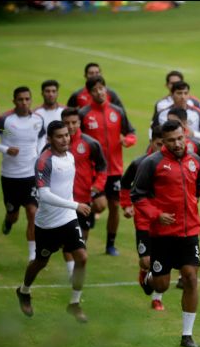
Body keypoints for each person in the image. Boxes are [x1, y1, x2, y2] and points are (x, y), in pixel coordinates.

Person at [131, 121, 200, 347]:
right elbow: (137, 195)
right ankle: (148, 277)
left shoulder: (196, 160)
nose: (177, 143)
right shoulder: (151, 163)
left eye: (180, 138)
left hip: (189, 231)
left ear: (185, 136)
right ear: (162, 141)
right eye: (171, 140)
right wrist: (156, 214)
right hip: (162, 235)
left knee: (191, 278)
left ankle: (187, 335)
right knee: (162, 286)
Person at [15, 121, 92, 323]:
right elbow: (44, 195)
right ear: (49, 139)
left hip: (67, 218)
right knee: (40, 262)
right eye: (59, 136)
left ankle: (74, 304)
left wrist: (72, 208)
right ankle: (24, 291)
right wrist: (75, 205)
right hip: (47, 223)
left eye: (67, 135)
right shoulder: (44, 161)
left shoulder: (70, 157)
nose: (65, 139)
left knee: (82, 257)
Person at [0, 86, 46, 261]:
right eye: (21, 99)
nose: (24, 102)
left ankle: (32, 255)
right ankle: (8, 221)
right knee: (14, 215)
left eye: (27, 99)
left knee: (32, 212)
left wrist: (39, 153)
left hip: (30, 175)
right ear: (14, 101)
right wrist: (5, 149)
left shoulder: (38, 119)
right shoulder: (5, 119)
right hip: (10, 176)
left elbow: (42, 136)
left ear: (31, 100)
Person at [78, 75, 137, 256]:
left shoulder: (117, 111)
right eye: (95, 90)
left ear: (105, 88)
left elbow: (131, 132)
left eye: (101, 88)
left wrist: (128, 140)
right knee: (99, 205)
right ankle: (81, 241)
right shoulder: (84, 114)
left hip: (115, 168)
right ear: (89, 93)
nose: (99, 92)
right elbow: (77, 139)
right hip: (95, 170)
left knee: (114, 206)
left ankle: (110, 244)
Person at [121, 126, 166, 310]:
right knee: (147, 260)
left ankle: (157, 298)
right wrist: (126, 205)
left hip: (164, 218)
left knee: (162, 259)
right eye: (159, 144)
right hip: (143, 218)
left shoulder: (172, 164)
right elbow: (125, 183)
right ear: (151, 141)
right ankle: (144, 271)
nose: (162, 148)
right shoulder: (139, 163)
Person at [60, 108, 107, 278]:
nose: (71, 126)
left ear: (80, 123)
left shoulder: (90, 143)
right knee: (67, 239)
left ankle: (76, 261)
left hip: (84, 200)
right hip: (64, 201)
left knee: (82, 238)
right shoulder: (54, 145)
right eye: (67, 123)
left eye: (74, 122)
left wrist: (97, 185)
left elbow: (102, 167)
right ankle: (71, 270)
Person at [154, 82, 200, 150]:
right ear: (172, 95)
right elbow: (153, 137)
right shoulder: (161, 114)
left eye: (185, 93)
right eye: (179, 93)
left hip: (192, 155)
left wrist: (194, 134)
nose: (183, 97)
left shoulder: (198, 113)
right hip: (168, 155)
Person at [150, 70, 200, 137]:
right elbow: (154, 125)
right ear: (167, 85)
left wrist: (194, 134)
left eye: (178, 82)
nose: (175, 85)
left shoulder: (195, 102)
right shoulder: (160, 104)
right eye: (172, 83)